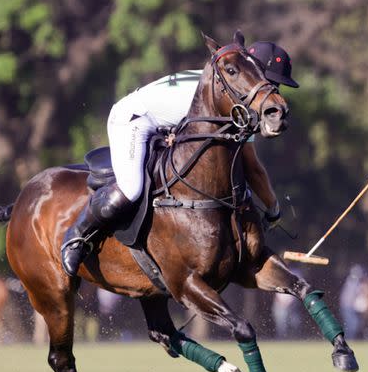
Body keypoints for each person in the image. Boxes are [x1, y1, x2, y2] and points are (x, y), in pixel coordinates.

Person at [61, 41, 299, 276]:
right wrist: (273, 208)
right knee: (131, 189)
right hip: (134, 119)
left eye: (275, 86)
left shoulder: (230, 87)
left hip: (166, 124)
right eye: (270, 82)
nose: (271, 91)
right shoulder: (224, 95)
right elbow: (253, 168)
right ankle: (77, 236)